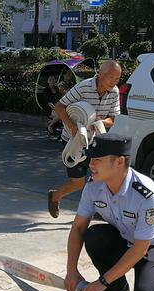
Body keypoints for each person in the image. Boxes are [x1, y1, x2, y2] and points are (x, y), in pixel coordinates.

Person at [64, 132, 154, 291]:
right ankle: (116, 288)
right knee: (94, 235)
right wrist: (71, 271)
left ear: (119, 162)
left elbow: (141, 248)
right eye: (90, 158)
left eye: (98, 159)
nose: (91, 164)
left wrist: (101, 282)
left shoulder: (147, 194)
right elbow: (78, 227)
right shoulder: (93, 186)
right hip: (129, 240)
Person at [47, 60, 122, 218]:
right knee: (78, 183)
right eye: (111, 77)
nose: (114, 82)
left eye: (117, 79)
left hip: (94, 141)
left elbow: (113, 119)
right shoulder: (83, 87)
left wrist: (101, 123)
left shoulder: (114, 92)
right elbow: (60, 107)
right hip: (73, 141)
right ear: (100, 74)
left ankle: (98, 210)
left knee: (100, 177)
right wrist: (73, 128)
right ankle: (55, 196)